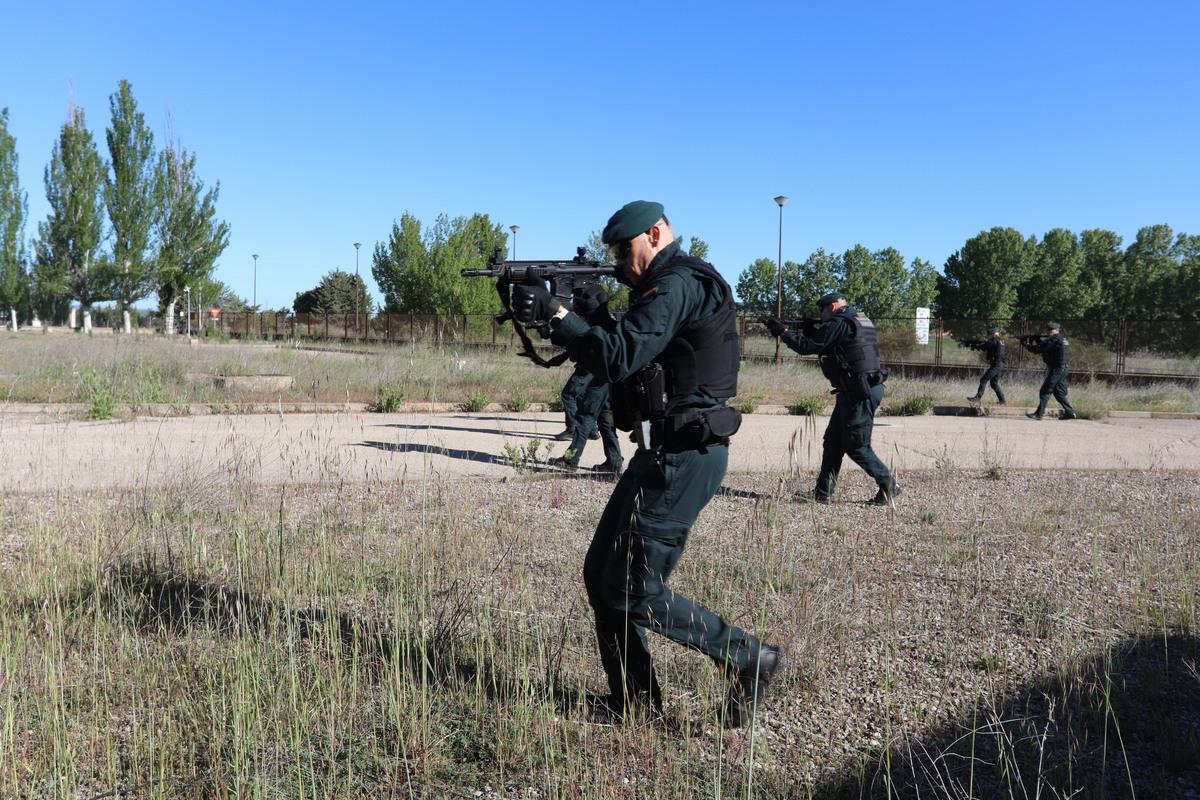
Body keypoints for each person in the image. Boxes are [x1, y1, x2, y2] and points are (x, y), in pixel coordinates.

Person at [512, 200, 783, 728]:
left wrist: (559, 316)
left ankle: (750, 657)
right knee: (601, 576)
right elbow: (638, 352)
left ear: (656, 234)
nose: (618, 260)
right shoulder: (665, 288)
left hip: (686, 454)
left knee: (632, 584)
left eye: (624, 249)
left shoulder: (678, 282)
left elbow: (619, 357)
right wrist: (598, 316)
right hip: (661, 452)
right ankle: (634, 704)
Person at [763, 293, 900, 505]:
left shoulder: (840, 322)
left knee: (857, 446)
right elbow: (831, 344)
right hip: (857, 389)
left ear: (833, 307)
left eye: (822, 310)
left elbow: (807, 347)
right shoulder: (857, 320)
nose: (820, 315)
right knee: (834, 442)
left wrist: (783, 332)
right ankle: (823, 492)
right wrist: (809, 329)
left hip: (859, 391)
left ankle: (889, 485)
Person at [548, 284, 623, 473]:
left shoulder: (597, 326)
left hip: (599, 380)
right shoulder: (608, 323)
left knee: (585, 417)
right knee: (605, 420)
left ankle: (571, 461)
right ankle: (613, 461)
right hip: (607, 380)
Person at [1023, 322, 1077, 420]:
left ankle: (1039, 414)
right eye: (1047, 331)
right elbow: (1047, 348)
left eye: (1050, 331)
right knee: (1059, 393)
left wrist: (1027, 345)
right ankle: (1070, 412)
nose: (1048, 333)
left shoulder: (1055, 339)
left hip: (1057, 369)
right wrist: (1038, 340)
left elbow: (1038, 349)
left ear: (1057, 330)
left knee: (1045, 391)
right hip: (1062, 369)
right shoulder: (1061, 339)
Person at [966, 328, 1007, 404]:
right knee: (994, 384)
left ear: (993, 334)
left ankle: (977, 398)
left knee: (983, 380)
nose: (987, 336)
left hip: (996, 364)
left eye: (988, 335)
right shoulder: (999, 341)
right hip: (999, 364)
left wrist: (973, 345)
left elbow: (985, 345)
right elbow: (988, 346)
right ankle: (1002, 401)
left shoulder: (994, 340)